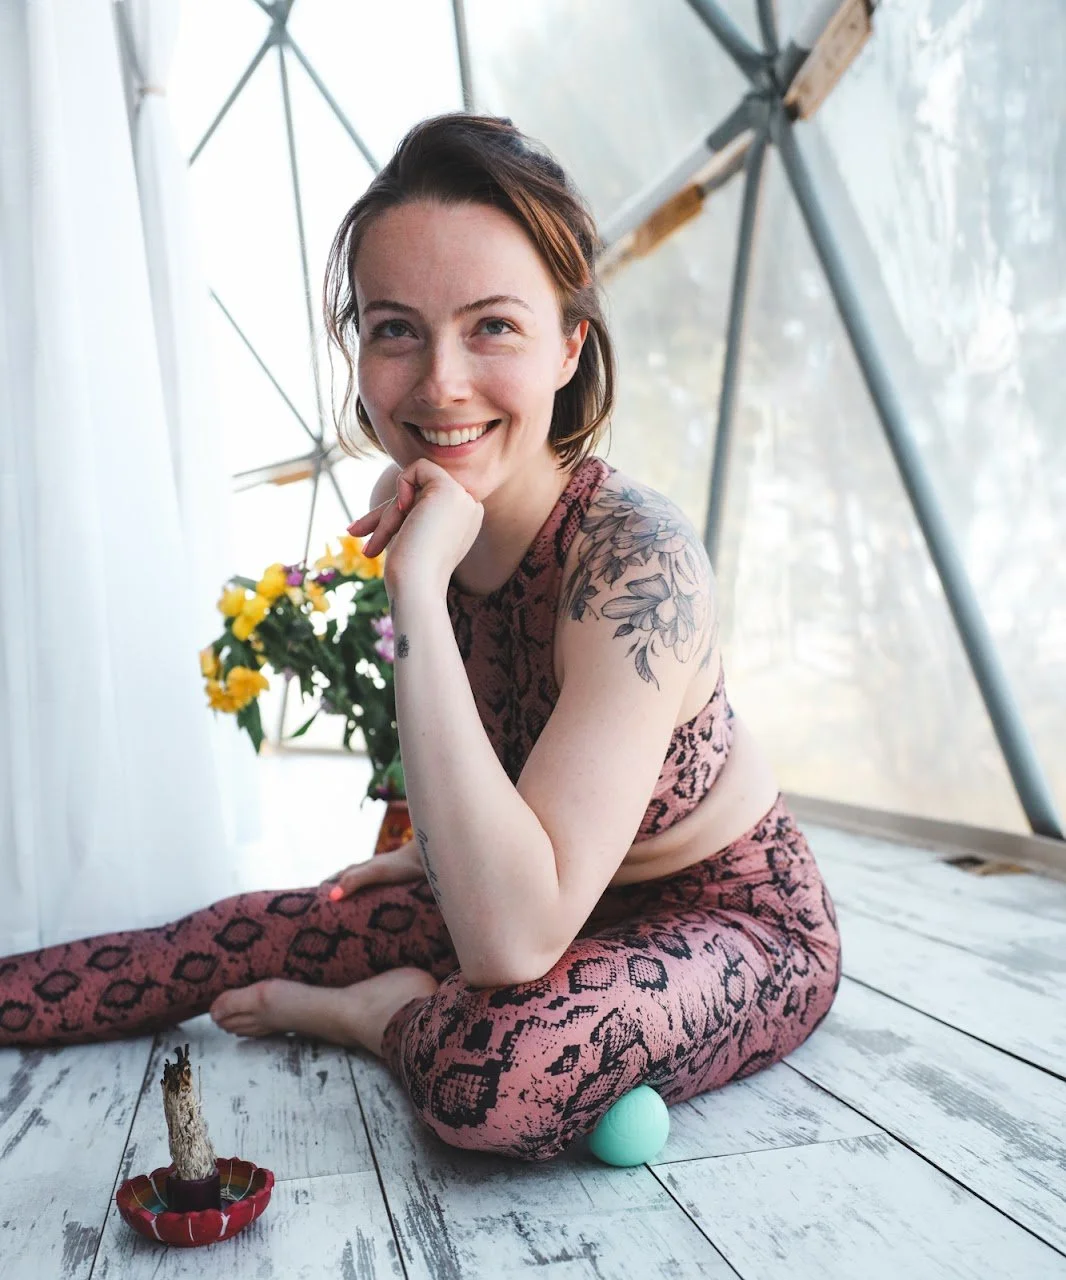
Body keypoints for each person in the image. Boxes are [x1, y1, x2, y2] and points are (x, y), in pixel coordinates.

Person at [0, 113, 841, 1163]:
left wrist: (414, 587)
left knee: (499, 1073)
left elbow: (507, 945)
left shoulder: (636, 560)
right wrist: (435, 849)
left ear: (569, 344)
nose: (440, 382)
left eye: (492, 326)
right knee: (229, 935)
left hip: (730, 922)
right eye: (397, 328)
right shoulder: (434, 509)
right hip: (541, 892)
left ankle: (378, 1014)